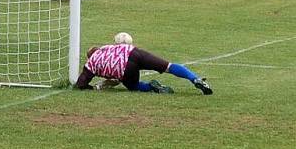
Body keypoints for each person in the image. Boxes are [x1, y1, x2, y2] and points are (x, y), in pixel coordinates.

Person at [75, 42, 213, 95]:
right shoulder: (107, 48)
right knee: (169, 66)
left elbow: (80, 84)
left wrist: (91, 87)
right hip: (134, 52)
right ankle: (195, 79)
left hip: (125, 68)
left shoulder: (91, 64)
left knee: (134, 86)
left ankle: (152, 87)